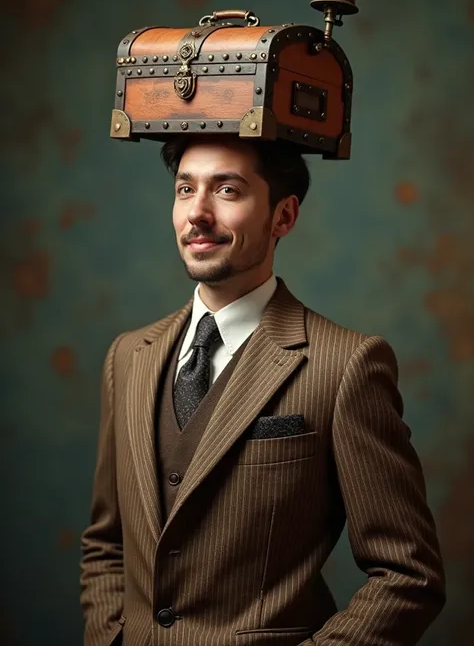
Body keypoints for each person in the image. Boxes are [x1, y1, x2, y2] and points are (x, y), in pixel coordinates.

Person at [80, 135, 446, 646]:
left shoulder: (345, 366)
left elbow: (408, 576)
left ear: (284, 217)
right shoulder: (127, 357)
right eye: (186, 189)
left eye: (227, 190)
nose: (198, 214)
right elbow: (105, 545)